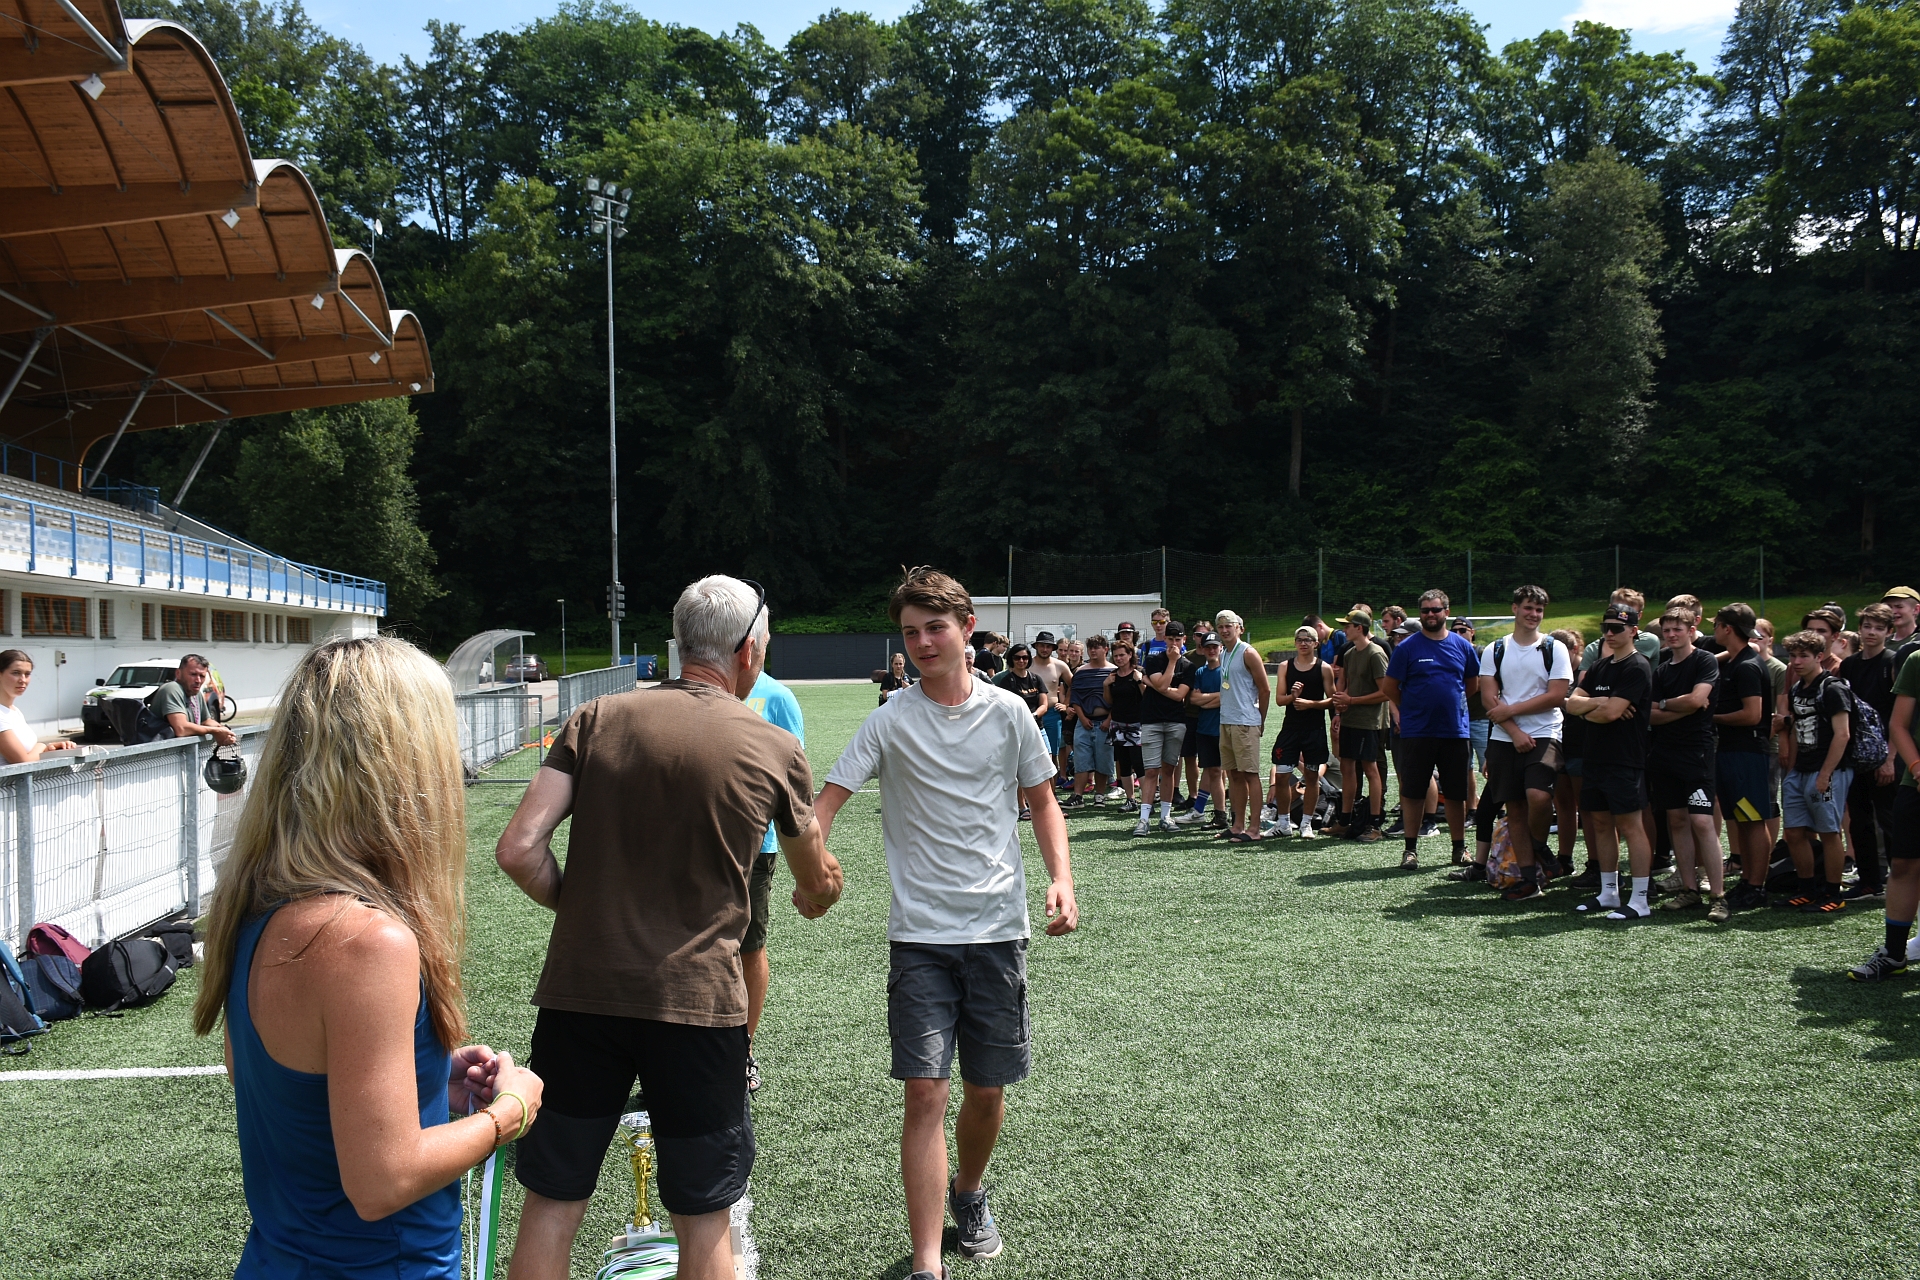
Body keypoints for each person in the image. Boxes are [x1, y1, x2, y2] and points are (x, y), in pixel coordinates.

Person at [495, 576, 843, 1280]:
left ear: (682, 644)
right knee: (704, 1218)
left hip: (581, 998)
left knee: (553, 1204)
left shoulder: (594, 718)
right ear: (747, 652)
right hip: (698, 1006)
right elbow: (815, 878)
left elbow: (519, 850)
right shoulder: (773, 745)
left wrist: (589, 910)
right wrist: (821, 891)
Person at [192, 636, 547, 1280]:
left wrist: (426, 1082)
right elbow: (384, 1182)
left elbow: (288, 1093)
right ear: (407, 764)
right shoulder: (365, 940)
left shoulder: (255, 909)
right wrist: (510, 1112)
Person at [814, 567, 1077, 1280]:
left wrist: (1061, 879)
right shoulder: (889, 719)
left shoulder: (1010, 713)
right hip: (920, 937)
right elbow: (826, 802)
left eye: (935, 628)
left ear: (967, 629)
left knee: (986, 1090)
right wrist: (812, 867)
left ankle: (970, 1190)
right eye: (910, 632)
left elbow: (1043, 802)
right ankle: (928, 1264)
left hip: (998, 929)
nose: (923, 643)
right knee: (925, 1091)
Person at [1477, 586, 1572, 899]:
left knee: (1539, 796)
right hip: (1504, 736)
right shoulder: (1495, 649)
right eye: (1528, 608)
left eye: (1539, 610)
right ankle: (1530, 881)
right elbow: (1489, 698)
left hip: (1545, 732)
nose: (1534, 614)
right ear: (1515, 608)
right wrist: (1514, 731)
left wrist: (1512, 711)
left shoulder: (1554, 648)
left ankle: (1539, 846)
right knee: (1515, 807)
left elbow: (1557, 695)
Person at [1565, 602, 1656, 920]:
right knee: (1601, 823)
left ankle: (1640, 900)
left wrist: (1591, 707)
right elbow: (1570, 703)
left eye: (1617, 628)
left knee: (1630, 826)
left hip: (1624, 759)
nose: (1610, 633)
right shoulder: (1601, 666)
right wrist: (1600, 702)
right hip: (1595, 757)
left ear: (1633, 631)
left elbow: (1611, 714)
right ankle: (1609, 893)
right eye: (1606, 628)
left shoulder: (1638, 666)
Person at [1380, 590, 1477, 870]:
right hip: (1417, 732)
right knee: (1413, 793)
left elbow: (1472, 685)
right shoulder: (1407, 648)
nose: (1430, 615)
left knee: (1456, 793)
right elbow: (1390, 687)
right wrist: (1413, 708)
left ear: (1446, 611)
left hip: (1454, 731)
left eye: (1435, 610)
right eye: (1425, 611)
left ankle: (1459, 849)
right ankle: (1410, 850)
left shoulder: (1462, 646)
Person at [742, 666, 806, 1093]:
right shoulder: (697, 691)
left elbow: (794, 779)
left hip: (754, 846)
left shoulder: (776, 697)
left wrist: (804, 859)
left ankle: (742, 1048)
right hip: (691, 843)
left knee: (748, 947)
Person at [1647, 607, 1724, 918]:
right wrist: (1680, 706)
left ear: (1692, 630)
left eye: (1678, 629)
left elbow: (1696, 700)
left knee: (1702, 822)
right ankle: (1689, 890)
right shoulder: (1662, 670)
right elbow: (1649, 714)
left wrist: (1668, 705)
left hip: (1697, 752)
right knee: (1677, 821)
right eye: (1667, 630)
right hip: (1665, 753)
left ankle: (1718, 896)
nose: (1671, 635)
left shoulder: (1704, 660)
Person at [1849, 638, 1920, 979]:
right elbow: (1898, 725)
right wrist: (1917, 768)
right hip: (1915, 784)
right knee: (1903, 865)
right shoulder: (1916, 660)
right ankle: (1894, 954)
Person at [1779, 629, 1854, 914]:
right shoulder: (1798, 688)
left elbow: (1843, 734)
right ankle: (1807, 890)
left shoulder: (1833, 688)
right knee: (1794, 832)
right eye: (1793, 656)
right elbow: (1796, 729)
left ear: (1819, 657)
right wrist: (1793, 770)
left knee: (1829, 831)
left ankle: (1833, 893)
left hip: (1828, 771)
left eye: (1803, 656)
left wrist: (1825, 774)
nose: (1796, 662)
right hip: (1801, 770)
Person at [1710, 604, 1772, 914]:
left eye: (1717, 624)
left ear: (1727, 629)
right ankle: (1748, 881)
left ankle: (1756, 886)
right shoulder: (1737, 660)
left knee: (1752, 820)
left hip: (1746, 753)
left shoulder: (1746, 666)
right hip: (1733, 751)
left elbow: (1752, 715)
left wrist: (1711, 717)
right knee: (1742, 820)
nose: (1713, 629)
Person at [1839, 603, 1899, 902]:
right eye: (1867, 626)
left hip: (1887, 753)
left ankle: (1899, 879)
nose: (1871, 632)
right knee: (1859, 820)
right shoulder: (1849, 665)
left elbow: (1901, 715)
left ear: (1889, 631)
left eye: (1878, 628)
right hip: (1856, 755)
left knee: (1890, 820)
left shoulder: (1893, 662)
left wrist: (1890, 758)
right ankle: (1869, 881)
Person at [1328, 611, 1388, 842]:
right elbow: (1346, 686)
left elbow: (1385, 692)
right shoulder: (1350, 653)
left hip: (1369, 722)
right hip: (1350, 719)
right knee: (1347, 766)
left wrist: (1351, 701)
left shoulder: (1376, 653)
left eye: (1348, 626)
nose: (1344, 629)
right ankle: (1345, 821)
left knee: (1370, 769)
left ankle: (1374, 824)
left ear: (1360, 628)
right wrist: (1339, 711)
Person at [1267, 626, 1332, 839]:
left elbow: (1333, 699)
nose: (1303, 643)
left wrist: (1311, 704)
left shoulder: (1324, 668)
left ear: (1316, 643)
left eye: (1308, 639)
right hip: (1290, 730)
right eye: (1299, 639)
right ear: (1295, 643)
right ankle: (1283, 823)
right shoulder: (1285, 666)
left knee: (1312, 778)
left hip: (1314, 730)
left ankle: (1306, 824)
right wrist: (1293, 696)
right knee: (1282, 776)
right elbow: (1280, 700)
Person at [1214, 610, 1272, 843]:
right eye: (1221, 627)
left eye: (1229, 626)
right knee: (1234, 774)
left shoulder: (1248, 652)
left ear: (1239, 628)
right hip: (1226, 720)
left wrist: (1260, 719)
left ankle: (1254, 828)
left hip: (1245, 722)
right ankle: (1238, 825)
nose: (1225, 630)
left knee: (1250, 774)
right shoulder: (1223, 653)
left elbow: (1265, 689)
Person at [1137, 621, 1194, 835]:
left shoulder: (1188, 666)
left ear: (1184, 639)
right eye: (1170, 639)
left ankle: (1165, 817)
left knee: (1169, 770)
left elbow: (1179, 695)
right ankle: (1144, 819)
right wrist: (1171, 663)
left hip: (1175, 721)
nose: (1174, 644)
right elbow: (1164, 686)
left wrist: (1151, 683)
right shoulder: (1154, 659)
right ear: (1165, 639)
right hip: (1151, 720)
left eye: (1178, 639)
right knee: (1151, 770)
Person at [995, 644, 1049, 820]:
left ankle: (1047, 804)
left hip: (1038, 728)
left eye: (1025, 657)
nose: (1021, 661)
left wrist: (1032, 716)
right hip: (1016, 731)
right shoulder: (1006, 681)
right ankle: (1022, 806)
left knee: (1047, 765)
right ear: (1011, 659)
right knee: (1020, 769)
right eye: (1017, 657)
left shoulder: (1036, 679)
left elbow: (1044, 704)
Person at [1180, 633, 1226, 827]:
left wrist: (1206, 699)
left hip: (1223, 728)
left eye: (1215, 646)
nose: (1211, 650)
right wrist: (1216, 697)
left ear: (1221, 648)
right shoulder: (1200, 672)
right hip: (1204, 728)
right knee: (1210, 770)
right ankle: (1200, 810)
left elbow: (1227, 697)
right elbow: (1194, 699)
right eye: (1208, 647)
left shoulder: (1226, 671)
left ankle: (1222, 815)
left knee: (1218, 771)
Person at [0, 650, 78, 763]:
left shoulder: (14, 711)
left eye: (27, 674)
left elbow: (29, 753)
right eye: (16, 673)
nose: (23, 680)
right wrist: (42, 746)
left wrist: (50, 748)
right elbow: (22, 761)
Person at [1065, 636, 1115, 807]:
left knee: (1103, 760)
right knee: (1081, 759)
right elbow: (1075, 698)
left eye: (1097, 647)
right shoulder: (1081, 672)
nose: (1093, 651)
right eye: (1090, 647)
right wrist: (1082, 717)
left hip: (1105, 723)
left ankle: (1099, 795)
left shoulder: (1114, 671)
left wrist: (1109, 719)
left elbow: (1120, 700)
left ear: (1106, 649)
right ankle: (1077, 796)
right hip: (1084, 723)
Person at [154, 653, 238, 747]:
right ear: (178, 673)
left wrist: (224, 731)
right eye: (193, 674)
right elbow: (182, 729)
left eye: (202, 676)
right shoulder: (172, 688)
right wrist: (216, 731)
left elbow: (206, 721)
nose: (198, 680)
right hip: (163, 754)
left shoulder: (196, 693)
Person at [1103, 641, 1148, 810]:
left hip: (1137, 725)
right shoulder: (1113, 675)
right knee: (1124, 764)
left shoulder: (1140, 672)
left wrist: (1139, 681)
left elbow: (1147, 697)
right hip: (1118, 725)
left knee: (1139, 764)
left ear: (1130, 655)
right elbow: (1109, 701)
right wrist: (1105, 685)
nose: (1119, 658)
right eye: (1115, 656)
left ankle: (1147, 802)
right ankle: (1131, 800)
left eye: (1122, 655)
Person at [1030, 632, 1073, 787]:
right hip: (1030, 715)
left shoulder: (1059, 665)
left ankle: (1052, 793)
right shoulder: (1027, 664)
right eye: (1042, 645)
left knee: (1052, 754)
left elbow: (1074, 684)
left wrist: (1066, 704)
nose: (1044, 649)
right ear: (1036, 646)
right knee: (1029, 755)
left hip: (1052, 715)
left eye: (1048, 646)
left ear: (1053, 648)